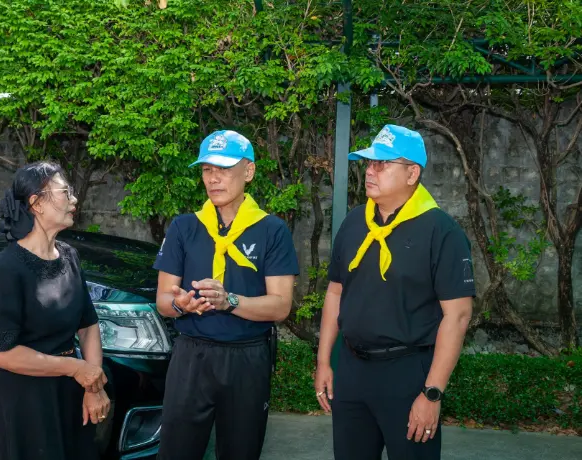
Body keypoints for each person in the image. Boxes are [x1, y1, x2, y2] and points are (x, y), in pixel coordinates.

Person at [315, 125, 475, 460]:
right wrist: (324, 361)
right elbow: (335, 292)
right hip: (353, 368)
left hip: (407, 373)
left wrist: (432, 393)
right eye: (369, 163)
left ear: (412, 173)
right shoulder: (355, 222)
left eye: (383, 164)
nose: (370, 171)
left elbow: (458, 316)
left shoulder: (441, 231)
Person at [153, 130, 300, 460]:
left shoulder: (271, 230)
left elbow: (280, 306)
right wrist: (180, 304)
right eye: (207, 169)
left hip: (246, 358)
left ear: (248, 172)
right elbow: (163, 300)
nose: (213, 178)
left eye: (223, 168)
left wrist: (229, 301)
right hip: (191, 356)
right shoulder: (184, 227)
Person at [0, 162, 110, 460]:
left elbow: (88, 325)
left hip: (71, 393)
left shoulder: (69, 256)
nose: (74, 200)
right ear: (37, 203)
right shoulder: (7, 268)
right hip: (28, 401)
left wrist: (93, 387)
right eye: (65, 192)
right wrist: (76, 368)